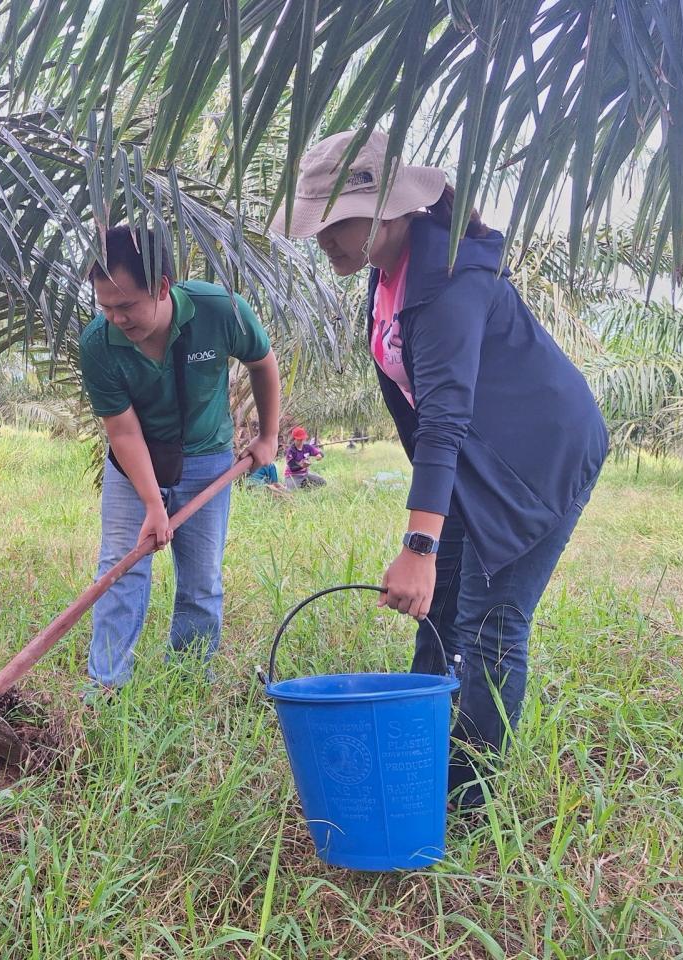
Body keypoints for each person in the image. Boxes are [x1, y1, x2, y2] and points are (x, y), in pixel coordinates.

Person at [271, 130, 608, 808]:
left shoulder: (448, 280)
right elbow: (425, 412)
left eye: (334, 222)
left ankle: (469, 802)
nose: (322, 238)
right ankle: (422, 754)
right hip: (475, 462)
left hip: (535, 459)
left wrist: (420, 544)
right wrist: (433, 540)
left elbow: (445, 417)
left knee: (489, 624)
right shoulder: (389, 273)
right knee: (442, 613)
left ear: (390, 209)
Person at [80, 225, 281, 691]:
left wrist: (268, 437)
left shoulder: (219, 310)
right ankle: (106, 687)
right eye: (105, 307)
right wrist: (153, 503)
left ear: (163, 287)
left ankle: (187, 683)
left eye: (126, 305)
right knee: (120, 569)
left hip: (208, 460)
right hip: (134, 465)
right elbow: (123, 429)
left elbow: (262, 362)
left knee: (201, 579)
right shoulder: (98, 344)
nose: (116, 318)